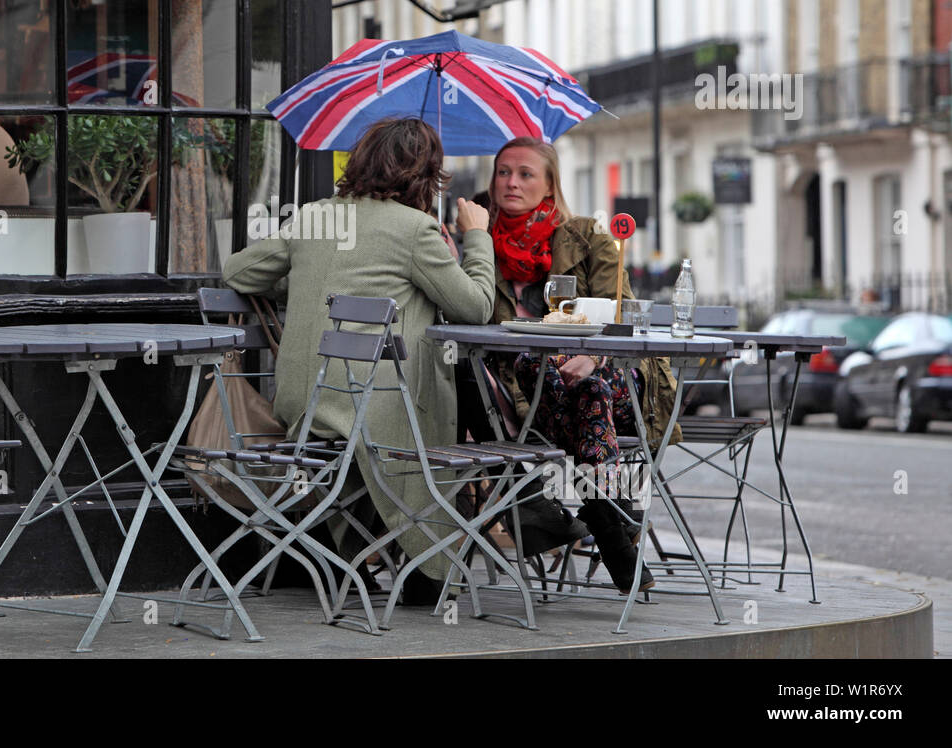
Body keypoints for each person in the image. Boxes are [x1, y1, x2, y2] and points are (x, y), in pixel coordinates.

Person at [220, 118, 495, 602]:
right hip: (372, 411)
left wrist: (307, 279)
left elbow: (237, 271)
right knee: (422, 413)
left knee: (384, 413)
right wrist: (477, 239)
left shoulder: (315, 216)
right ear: (425, 174)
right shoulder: (416, 229)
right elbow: (475, 307)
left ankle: (339, 554)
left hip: (303, 406)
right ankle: (425, 569)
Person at [479, 136, 677, 593]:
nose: (512, 182)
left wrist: (592, 356)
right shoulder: (479, 245)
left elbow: (622, 316)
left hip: (613, 385)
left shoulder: (588, 237)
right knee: (553, 374)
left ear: (549, 186)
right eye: (504, 172)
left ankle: (603, 521)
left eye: (526, 174)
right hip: (529, 401)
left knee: (592, 387)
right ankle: (614, 526)